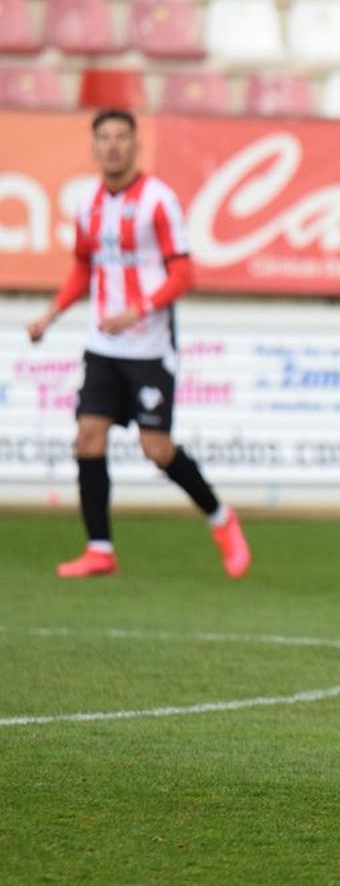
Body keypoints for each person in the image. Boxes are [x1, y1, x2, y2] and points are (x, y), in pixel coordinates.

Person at [26, 109, 250, 580]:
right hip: (102, 348)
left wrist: (138, 309)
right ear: (94, 147)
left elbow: (184, 273)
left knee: (157, 449)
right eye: (103, 137)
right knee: (88, 436)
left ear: (134, 145)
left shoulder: (159, 201)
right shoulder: (88, 205)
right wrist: (50, 315)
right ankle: (100, 549)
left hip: (148, 348)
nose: (112, 146)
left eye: (121, 137)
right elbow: (83, 269)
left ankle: (221, 518)